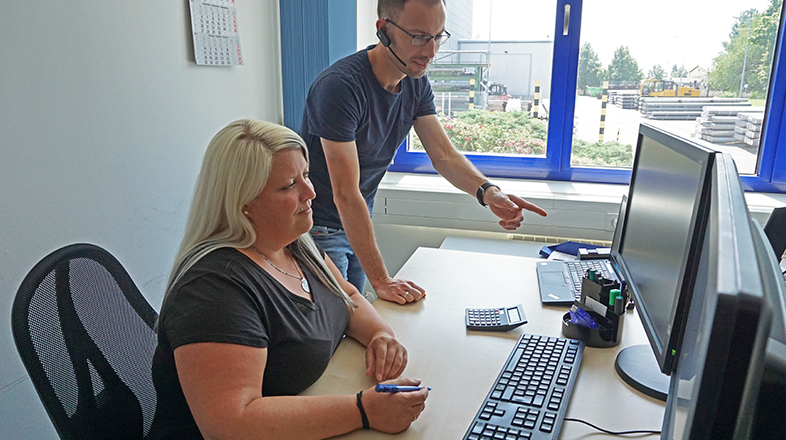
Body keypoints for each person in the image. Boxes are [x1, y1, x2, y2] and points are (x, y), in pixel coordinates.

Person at [148, 120, 428, 439]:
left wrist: (379, 333)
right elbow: (231, 423)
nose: (310, 192)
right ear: (243, 204)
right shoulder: (213, 289)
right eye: (288, 185)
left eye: (306, 175)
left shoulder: (293, 241)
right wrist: (362, 411)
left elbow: (346, 293)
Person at [300, 0, 548, 305]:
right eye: (418, 37)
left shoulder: (415, 84)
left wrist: (488, 192)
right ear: (384, 30)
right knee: (339, 324)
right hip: (319, 229)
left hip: (356, 222)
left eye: (438, 37)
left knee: (360, 322)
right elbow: (346, 193)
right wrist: (382, 279)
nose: (430, 52)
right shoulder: (341, 87)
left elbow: (443, 154)